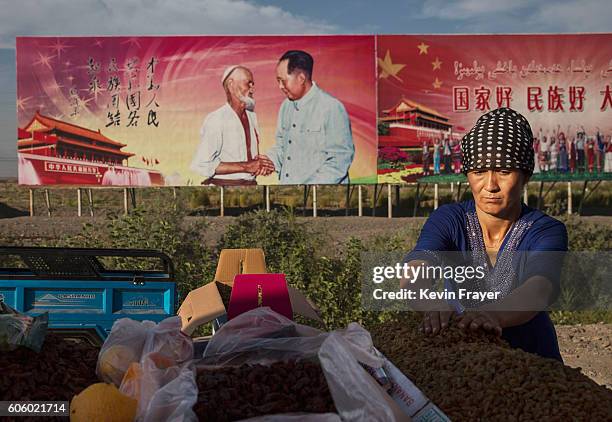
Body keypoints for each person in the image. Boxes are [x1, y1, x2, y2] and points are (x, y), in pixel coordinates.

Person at [401, 108, 568, 361]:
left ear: (525, 176)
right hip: (464, 357)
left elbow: (539, 287)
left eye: (503, 171)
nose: (490, 185)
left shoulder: (545, 230)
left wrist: (493, 315)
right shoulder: (449, 219)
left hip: (532, 356)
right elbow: (417, 268)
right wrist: (432, 303)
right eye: (479, 172)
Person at [261, 50, 354, 184]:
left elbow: (340, 160)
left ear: (301, 78)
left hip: (322, 199)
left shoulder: (331, 107)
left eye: (283, 81)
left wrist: (307, 191)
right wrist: (267, 161)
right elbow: (283, 148)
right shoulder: (285, 107)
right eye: (278, 81)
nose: (280, 86)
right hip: (289, 196)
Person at [191, 65, 274, 186]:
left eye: (253, 85)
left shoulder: (252, 118)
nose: (252, 89)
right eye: (248, 83)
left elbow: (251, 164)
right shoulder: (216, 119)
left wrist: (262, 166)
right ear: (231, 85)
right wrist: (247, 166)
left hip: (251, 187)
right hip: (223, 190)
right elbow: (202, 164)